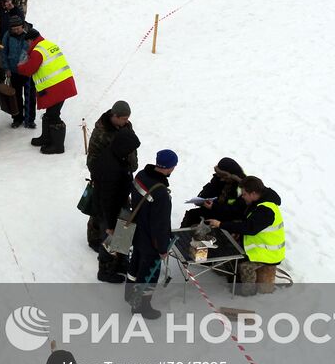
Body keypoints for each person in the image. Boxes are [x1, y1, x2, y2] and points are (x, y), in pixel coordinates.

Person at [86, 101, 139, 284]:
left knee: (122, 225)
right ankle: (107, 267)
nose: (125, 122)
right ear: (114, 116)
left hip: (119, 186)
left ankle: (120, 260)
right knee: (110, 229)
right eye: (123, 118)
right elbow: (93, 158)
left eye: (127, 119)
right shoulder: (102, 133)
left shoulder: (125, 132)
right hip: (108, 186)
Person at [206, 175, 284, 296]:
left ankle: (248, 294)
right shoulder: (258, 202)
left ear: (253, 193)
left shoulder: (266, 210)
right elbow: (248, 223)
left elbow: (249, 228)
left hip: (268, 254)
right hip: (260, 248)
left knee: (244, 267)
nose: (242, 197)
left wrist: (221, 224)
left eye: (244, 194)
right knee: (230, 254)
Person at [125, 149, 177, 320]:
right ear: (171, 167)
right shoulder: (161, 193)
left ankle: (129, 293)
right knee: (149, 274)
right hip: (151, 240)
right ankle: (141, 306)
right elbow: (160, 225)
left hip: (136, 231)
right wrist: (162, 248)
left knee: (135, 263)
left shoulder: (140, 176)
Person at [15, 28, 76, 154]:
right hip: (61, 84)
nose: (27, 45)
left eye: (27, 42)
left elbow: (29, 69)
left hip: (57, 86)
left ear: (31, 40)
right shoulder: (48, 45)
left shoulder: (38, 51)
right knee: (50, 113)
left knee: (53, 115)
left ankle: (58, 146)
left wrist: (20, 66)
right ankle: (46, 138)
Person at [180, 157, 246, 227]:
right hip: (216, 210)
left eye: (224, 177)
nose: (222, 179)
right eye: (220, 176)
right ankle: (179, 236)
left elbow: (237, 211)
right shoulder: (219, 178)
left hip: (229, 218)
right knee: (192, 215)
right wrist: (202, 199)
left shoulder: (243, 188)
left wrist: (214, 206)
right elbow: (209, 189)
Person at [0, 15, 36, 129]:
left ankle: (30, 120)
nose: (15, 31)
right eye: (13, 29)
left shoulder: (30, 34)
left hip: (28, 72)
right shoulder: (7, 35)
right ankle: (17, 118)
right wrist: (7, 68)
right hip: (14, 71)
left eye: (18, 28)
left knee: (30, 97)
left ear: (22, 25)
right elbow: (4, 52)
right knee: (16, 96)